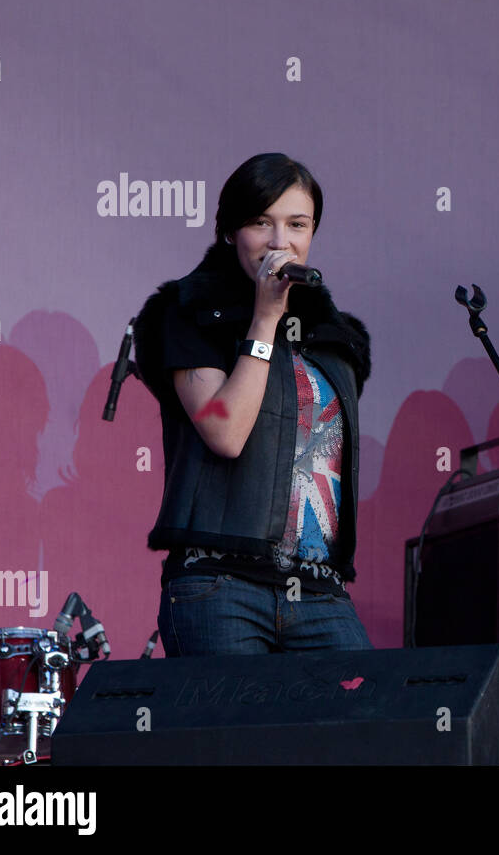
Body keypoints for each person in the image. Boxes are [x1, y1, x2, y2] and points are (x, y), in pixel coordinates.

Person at [133, 153, 372, 655]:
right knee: (236, 735)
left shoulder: (337, 339)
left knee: (363, 727)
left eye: (297, 224)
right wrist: (264, 320)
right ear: (229, 231)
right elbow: (225, 432)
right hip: (222, 586)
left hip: (321, 591)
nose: (280, 241)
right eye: (261, 222)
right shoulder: (189, 313)